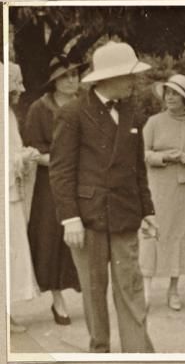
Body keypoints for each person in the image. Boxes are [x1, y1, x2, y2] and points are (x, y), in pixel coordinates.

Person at [49, 41, 157, 353]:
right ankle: (100, 351)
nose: (133, 81)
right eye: (128, 76)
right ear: (107, 78)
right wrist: (69, 218)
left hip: (125, 214)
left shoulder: (131, 112)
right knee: (94, 291)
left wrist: (147, 210)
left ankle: (139, 353)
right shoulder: (73, 114)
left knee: (131, 288)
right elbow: (61, 171)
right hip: (87, 219)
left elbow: (138, 169)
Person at [23, 55, 83, 325]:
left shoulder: (86, 104)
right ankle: (57, 299)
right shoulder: (40, 109)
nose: (72, 80)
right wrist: (61, 160)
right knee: (52, 239)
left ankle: (89, 296)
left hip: (85, 180)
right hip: (52, 183)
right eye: (65, 76)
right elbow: (34, 150)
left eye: (75, 75)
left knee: (85, 237)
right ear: (54, 82)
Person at [141, 74, 185, 311]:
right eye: (168, 92)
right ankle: (146, 289)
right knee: (153, 233)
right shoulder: (154, 122)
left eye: (176, 94)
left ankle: (173, 289)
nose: (170, 97)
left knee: (180, 235)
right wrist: (164, 156)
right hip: (158, 185)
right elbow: (142, 153)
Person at [8, 62, 40, 334]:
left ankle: (6, 312)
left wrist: (22, 156)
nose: (20, 89)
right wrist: (22, 157)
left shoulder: (8, 114)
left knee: (12, 250)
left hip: (9, 193)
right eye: (15, 84)